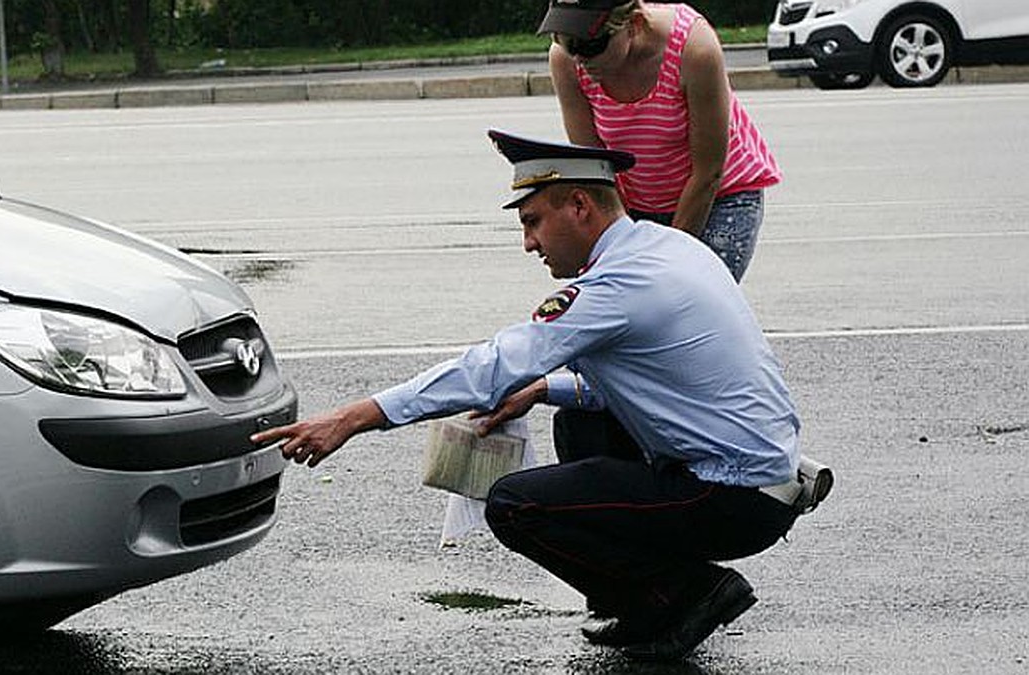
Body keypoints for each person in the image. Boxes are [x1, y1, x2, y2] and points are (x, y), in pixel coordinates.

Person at [251, 129, 803, 660]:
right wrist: (543, 389)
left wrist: (352, 418)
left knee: (516, 505)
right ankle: (641, 595)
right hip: (763, 482)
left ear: (580, 206)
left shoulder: (616, 286)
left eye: (533, 222)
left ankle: (680, 594)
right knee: (575, 418)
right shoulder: (663, 247)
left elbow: (489, 368)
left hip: (729, 499)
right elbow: (656, 378)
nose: (529, 243)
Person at [541, 0, 781, 282]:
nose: (580, 58)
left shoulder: (694, 49)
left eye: (591, 45)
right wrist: (623, 246)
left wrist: (666, 258)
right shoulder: (567, 61)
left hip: (720, 196)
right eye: (567, 43)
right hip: (639, 200)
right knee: (639, 308)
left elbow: (708, 172)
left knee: (690, 299)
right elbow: (596, 170)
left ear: (635, 24)